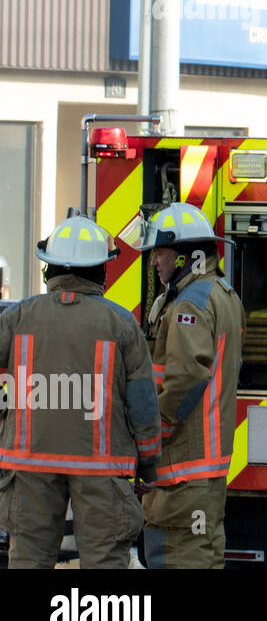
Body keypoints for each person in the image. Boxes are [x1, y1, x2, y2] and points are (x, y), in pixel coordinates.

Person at [0, 215, 160, 568]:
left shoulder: (16, 318)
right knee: (105, 562)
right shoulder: (121, 324)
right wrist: (148, 467)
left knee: (27, 558)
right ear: (101, 272)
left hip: (28, 466)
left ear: (49, 271)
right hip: (101, 470)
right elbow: (144, 405)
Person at [129, 203, 245, 569]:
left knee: (178, 558)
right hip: (204, 471)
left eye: (159, 253)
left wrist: (152, 437)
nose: (154, 263)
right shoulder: (222, 294)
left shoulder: (189, 304)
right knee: (204, 556)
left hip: (181, 468)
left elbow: (186, 377)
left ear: (184, 257)